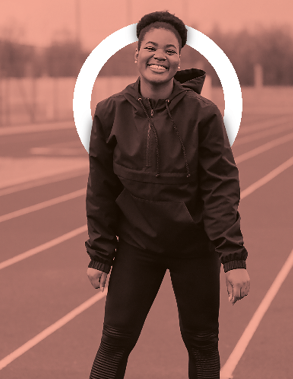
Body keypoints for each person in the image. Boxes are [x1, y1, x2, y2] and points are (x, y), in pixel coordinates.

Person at [85, 10, 250, 379]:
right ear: (137, 54)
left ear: (179, 60)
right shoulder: (109, 112)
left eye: (170, 50)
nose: (159, 55)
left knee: (203, 342)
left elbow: (221, 188)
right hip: (136, 246)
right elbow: (100, 188)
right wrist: (99, 253)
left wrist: (233, 258)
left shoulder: (204, 115)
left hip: (194, 247)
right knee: (113, 341)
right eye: (151, 47)